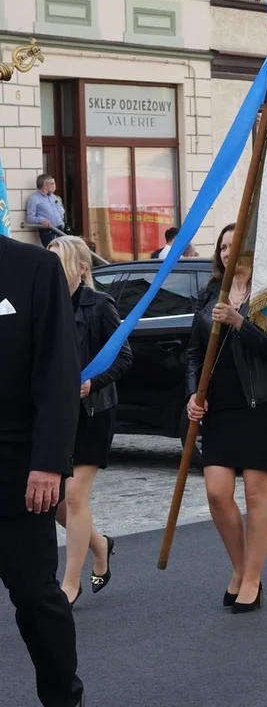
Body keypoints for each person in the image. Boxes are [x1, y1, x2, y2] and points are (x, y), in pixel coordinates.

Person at [186, 223, 267, 613]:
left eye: (236, 246)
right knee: (216, 491)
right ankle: (240, 567)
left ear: (251, 253)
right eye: (224, 247)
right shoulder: (208, 294)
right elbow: (195, 354)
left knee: (254, 492)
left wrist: (238, 321)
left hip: (262, 403)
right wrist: (191, 394)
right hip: (221, 406)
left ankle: (251, 578)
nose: (229, 252)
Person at [0, 233, 85, 706]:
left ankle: (63, 698)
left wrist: (49, 463)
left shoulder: (33, 267)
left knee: (35, 600)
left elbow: (58, 371)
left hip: (17, 470)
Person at [47, 237, 131, 605]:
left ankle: (70, 583)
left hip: (92, 411)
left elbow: (124, 356)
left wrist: (92, 383)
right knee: (51, 498)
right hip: (53, 413)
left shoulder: (99, 305)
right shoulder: (44, 305)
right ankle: (100, 543)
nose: (51, 268)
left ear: (82, 267)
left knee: (75, 494)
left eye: (59, 261)